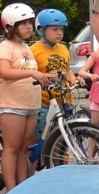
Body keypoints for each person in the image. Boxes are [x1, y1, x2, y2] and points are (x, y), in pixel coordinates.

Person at [0, 3, 50, 192]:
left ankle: (21, 186)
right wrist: (32, 74)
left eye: (30, 23)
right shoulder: (5, 47)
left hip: (31, 103)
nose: (29, 27)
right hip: (12, 104)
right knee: (11, 147)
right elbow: (5, 72)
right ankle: (11, 189)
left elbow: (28, 71)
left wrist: (46, 77)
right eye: (23, 23)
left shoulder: (26, 47)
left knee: (24, 147)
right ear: (10, 26)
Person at [31, 9, 76, 138]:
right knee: (40, 139)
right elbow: (31, 74)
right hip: (45, 103)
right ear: (41, 30)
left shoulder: (63, 48)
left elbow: (67, 69)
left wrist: (75, 80)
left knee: (63, 140)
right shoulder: (33, 51)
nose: (59, 33)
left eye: (61, 29)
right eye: (55, 29)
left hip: (65, 101)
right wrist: (52, 76)